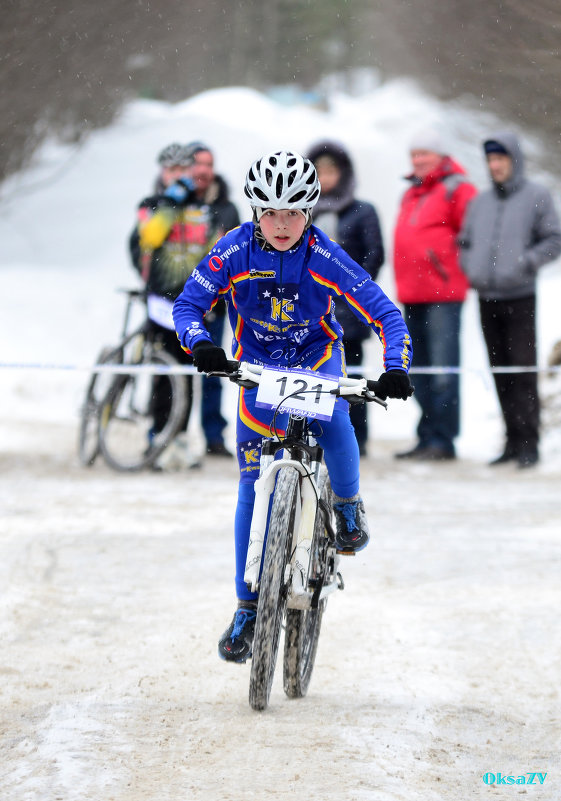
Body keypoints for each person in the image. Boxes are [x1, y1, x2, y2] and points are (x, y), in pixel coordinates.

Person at [173, 150, 413, 663]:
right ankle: (246, 606)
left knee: (334, 419)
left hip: (315, 358)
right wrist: (203, 345)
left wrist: (395, 367)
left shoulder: (323, 255)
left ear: (310, 213)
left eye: (295, 213)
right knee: (248, 479)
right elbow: (188, 305)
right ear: (255, 211)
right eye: (271, 213)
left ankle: (347, 506)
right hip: (257, 368)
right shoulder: (232, 250)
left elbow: (385, 313)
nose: (283, 225)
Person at [130, 141, 240, 458]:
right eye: (172, 170)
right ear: (162, 172)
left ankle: (178, 440)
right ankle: (158, 436)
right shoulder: (151, 203)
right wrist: (168, 205)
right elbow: (149, 239)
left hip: (192, 300)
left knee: (187, 373)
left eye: (183, 170)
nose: (178, 176)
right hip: (160, 299)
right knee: (162, 372)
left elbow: (210, 248)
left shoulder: (204, 207)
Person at [459, 132, 561, 468]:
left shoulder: (537, 195)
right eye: (491, 160)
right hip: (486, 296)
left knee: (522, 368)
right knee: (499, 369)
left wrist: (525, 263)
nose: (495, 166)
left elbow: (553, 238)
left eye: (501, 159)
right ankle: (511, 441)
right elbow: (465, 241)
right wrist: (471, 268)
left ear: (514, 161)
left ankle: (529, 441)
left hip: (520, 296)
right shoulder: (480, 201)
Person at [393, 128, 477, 461]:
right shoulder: (410, 193)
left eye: (425, 153)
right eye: (414, 155)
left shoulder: (459, 188)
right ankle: (427, 434)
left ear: (441, 156)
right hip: (412, 293)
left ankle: (443, 439)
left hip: (444, 293)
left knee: (443, 370)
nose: (419, 160)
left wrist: (451, 266)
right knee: (418, 368)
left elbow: (470, 236)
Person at [306, 140, 385, 456]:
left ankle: (357, 441)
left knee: (350, 380)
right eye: (319, 172)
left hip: (349, 312)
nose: (325, 178)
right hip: (310, 310)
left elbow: (374, 255)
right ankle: (317, 438)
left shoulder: (363, 211)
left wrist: (351, 293)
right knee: (312, 378)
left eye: (331, 171)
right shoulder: (299, 214)